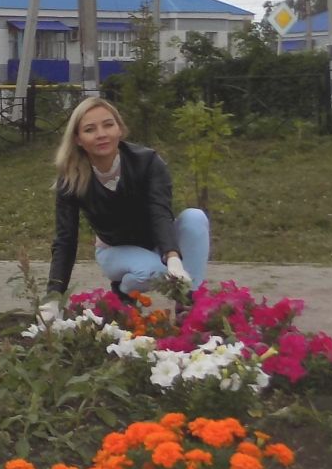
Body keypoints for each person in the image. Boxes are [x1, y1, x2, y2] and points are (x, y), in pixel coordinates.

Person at [43, 94, 210, 319]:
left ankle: (189, 305)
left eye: (108, 125)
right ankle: (122, 292)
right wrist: (54, 296)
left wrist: (173, 257)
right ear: (78, 139)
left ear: (120, 129)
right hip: (114, 250)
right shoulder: (71, 179)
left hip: (158, 242)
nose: (101, 134)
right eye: (90, 129)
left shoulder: (148, 162)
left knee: (195, 217)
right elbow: (65, 240)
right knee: (154, 273)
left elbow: (160, 211)